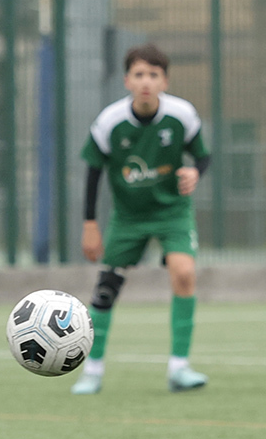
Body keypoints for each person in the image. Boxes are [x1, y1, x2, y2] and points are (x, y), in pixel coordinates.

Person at [71, 43, 211, 395]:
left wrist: (195, 172)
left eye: (153, 74)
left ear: (165, 81)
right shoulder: (110, 122)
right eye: (139, 74)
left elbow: (202, 155)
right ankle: (92, 371)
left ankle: (180, 368)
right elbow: (93, 173)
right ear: (127, 81)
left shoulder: (182, 115)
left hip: (172, 212)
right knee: (106, 289)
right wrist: (90, 224)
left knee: (184, 273)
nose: (146, 81)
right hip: (128, 216)